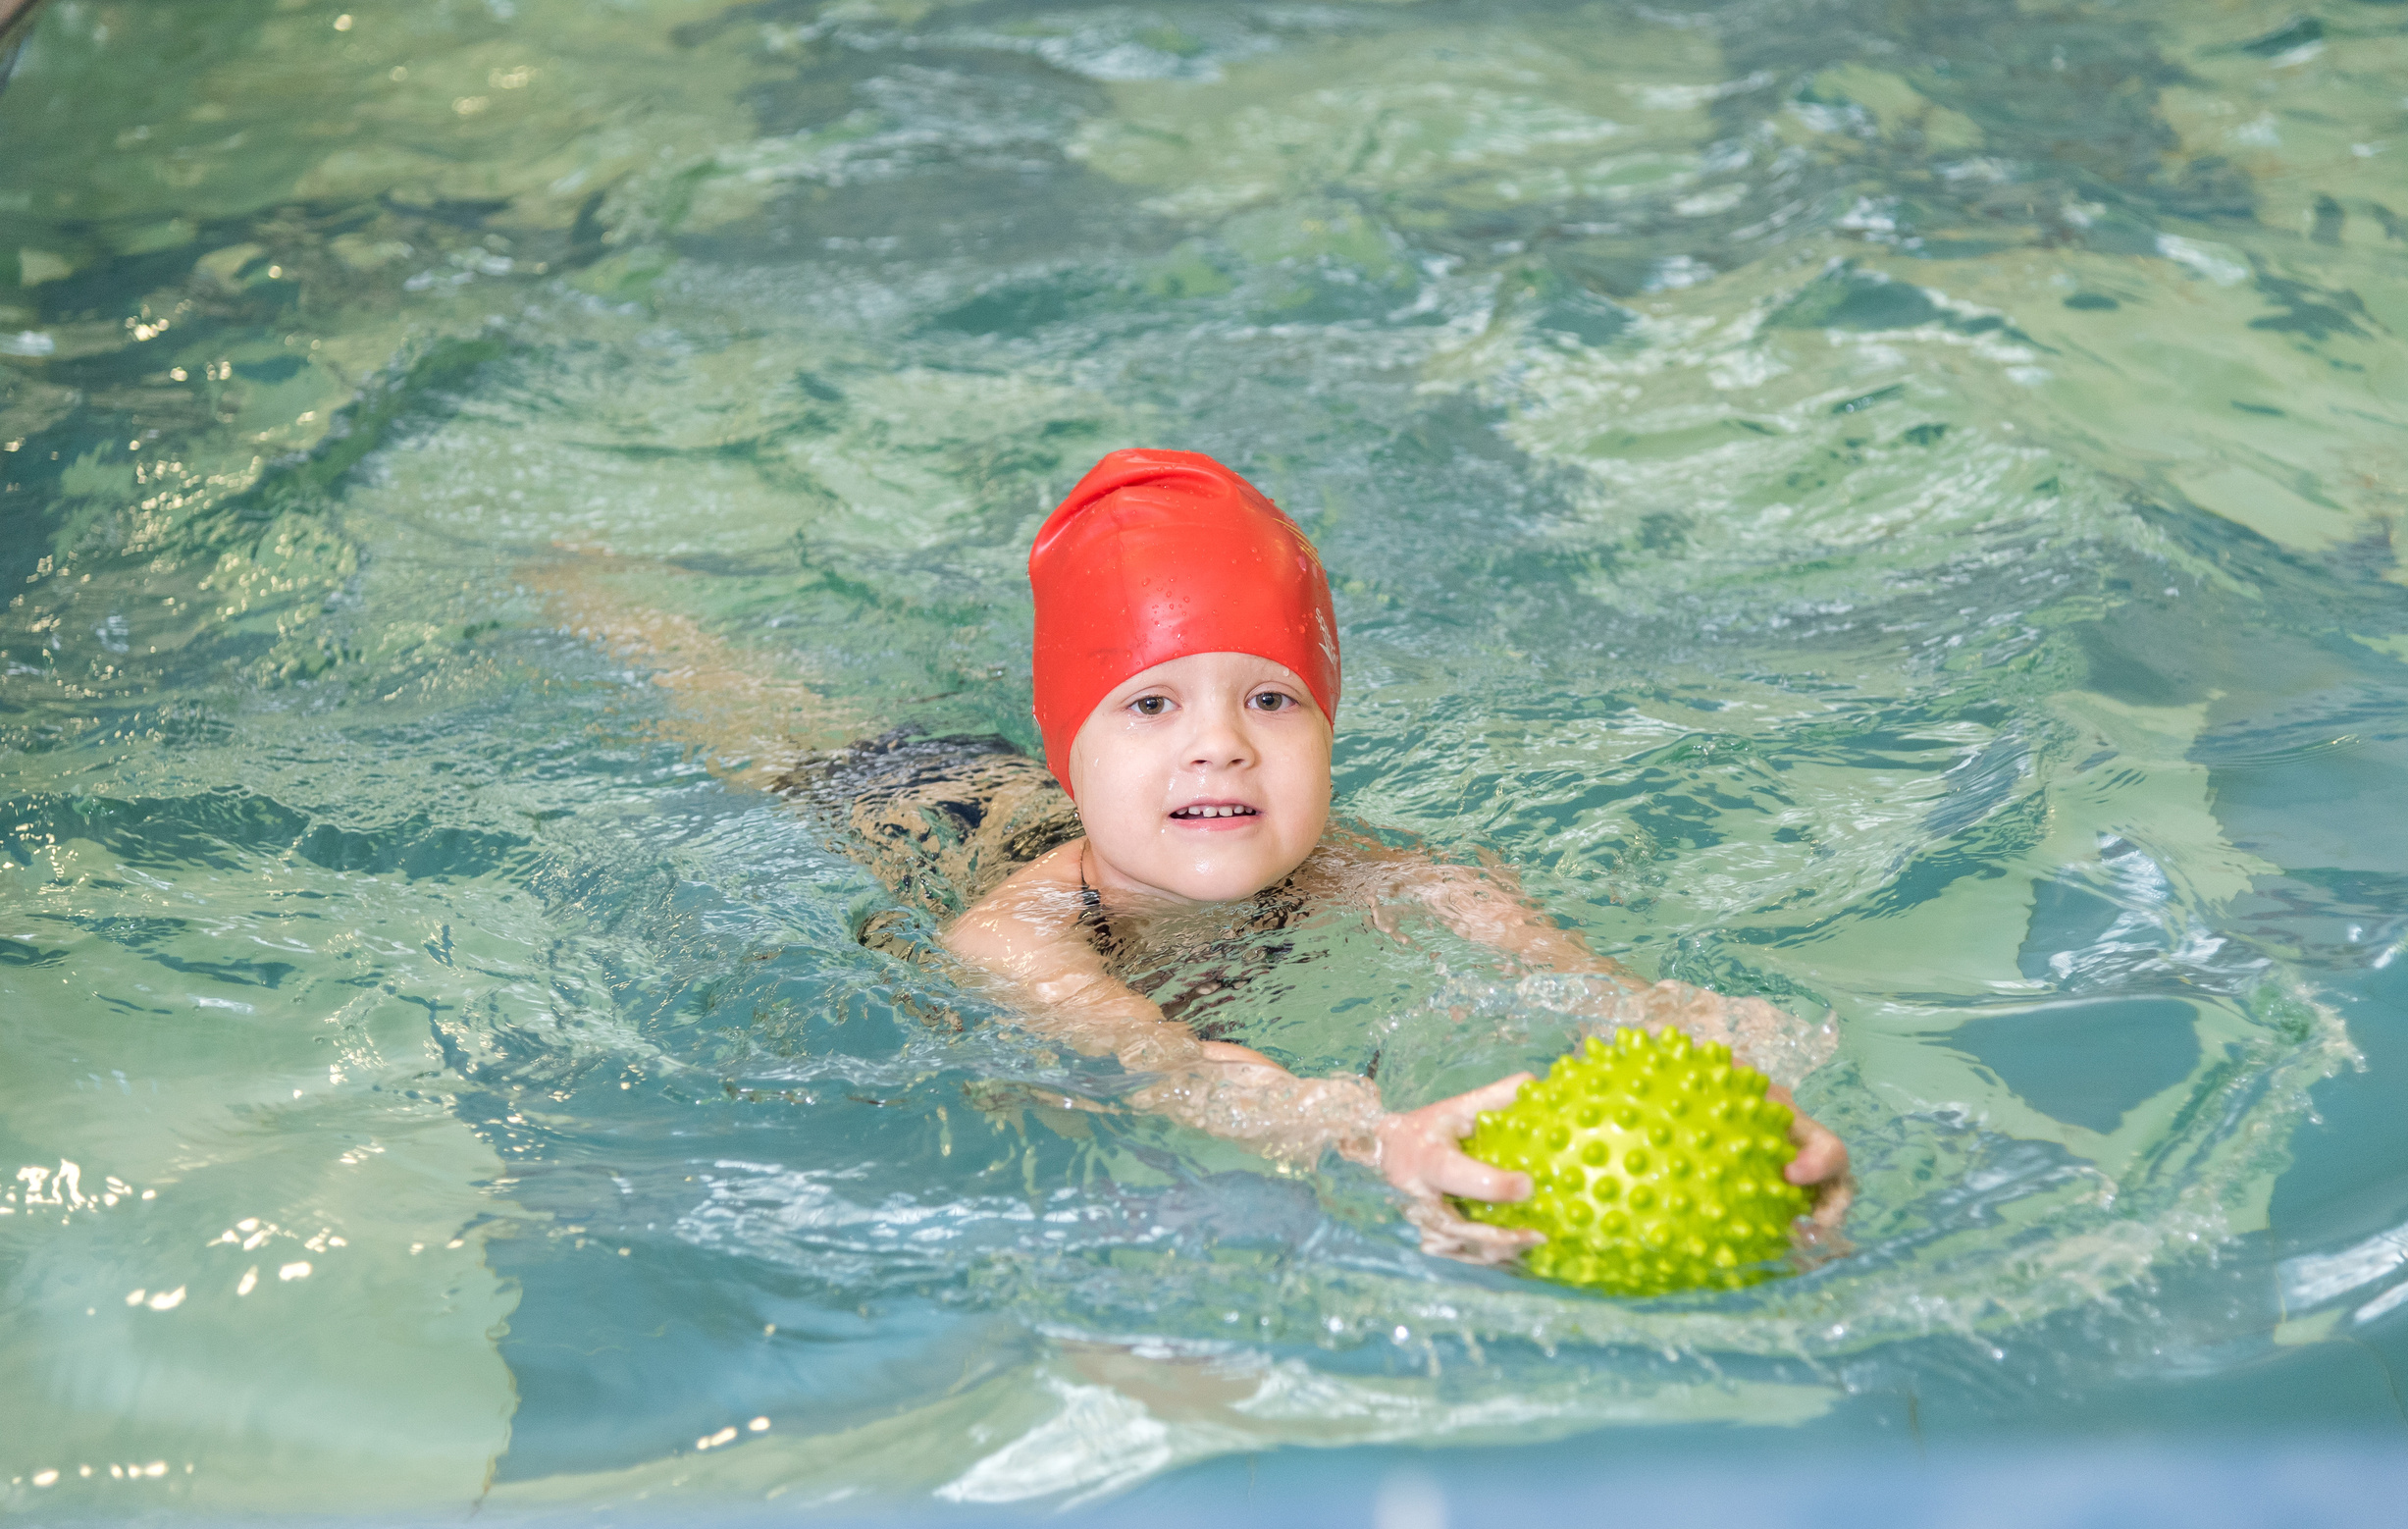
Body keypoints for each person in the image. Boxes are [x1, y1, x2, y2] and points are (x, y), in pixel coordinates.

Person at [538, 449, 1852, 1266]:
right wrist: (1368, 1135)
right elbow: (1164, 1062)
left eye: (1271, 700)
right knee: (748, 717)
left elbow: (1600, 985)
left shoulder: (1394, 876)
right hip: (915, 807)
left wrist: (1736, 1058)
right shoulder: (1011, 938)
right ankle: (589, 590)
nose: (1221, 746)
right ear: (1075, 751)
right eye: (1151, 704)